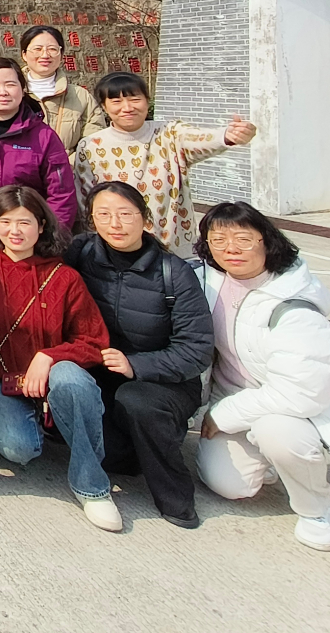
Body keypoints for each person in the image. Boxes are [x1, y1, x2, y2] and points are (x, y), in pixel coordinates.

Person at [193, 202, 330, 552]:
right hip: (233, 394)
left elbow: (300, 394)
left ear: (267, 241)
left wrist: (223, 414)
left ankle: (316, 510)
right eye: (218, 240)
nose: (231, 249)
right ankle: (274, 461)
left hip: (296, 408)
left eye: (243, 239)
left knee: (277, 431)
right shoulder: (210, 281)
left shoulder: (295, 306)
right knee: (229, 485)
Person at [0, 186, 119, 531]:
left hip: (54, 376)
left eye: (25, 222)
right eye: (5, 222)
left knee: (71, 379)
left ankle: (92, 487)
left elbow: (94, 341)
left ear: (42, 225)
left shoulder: (63, 276)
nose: (14, 231)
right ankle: (50, 423)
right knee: (19, 449)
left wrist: (49, 356)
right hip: (1, 379)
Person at [64, 181, 213, 527]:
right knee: (81, 408)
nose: (115, 224)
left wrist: (136, 364)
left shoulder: (172, 272)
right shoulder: (80, 254)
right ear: (91, 220)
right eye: (103, 215)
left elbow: (197, 348)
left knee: (136, 401)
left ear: (145, 219)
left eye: (125, 214)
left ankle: (174, 496)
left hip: (163, 380)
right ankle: (132, 452)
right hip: (102, 371)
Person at [75, 72, 258, 256]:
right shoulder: (91, 146)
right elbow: (86, 201)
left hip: (173, 249)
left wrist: (227, 136)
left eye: (135, 99)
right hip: (116, 250)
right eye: (116, 102)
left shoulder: (169, 133)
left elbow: (200, 139)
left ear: (147, 101)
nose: (127, 108)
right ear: (104, 106)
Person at [0, 58, 78, 230]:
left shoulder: (43, 136)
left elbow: (61, 194)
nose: (3, 92)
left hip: (27, 230)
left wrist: (53, 237)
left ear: (23, 89)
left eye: (10, 85)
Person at [20, 25, 104, 159]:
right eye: (37, 49)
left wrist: (65, 166)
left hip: (68, 170)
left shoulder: (81, 97)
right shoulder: (8, 93)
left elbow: (94, 141)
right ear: (24, 54)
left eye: (52, 49)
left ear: (61, 55)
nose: (45, 55)